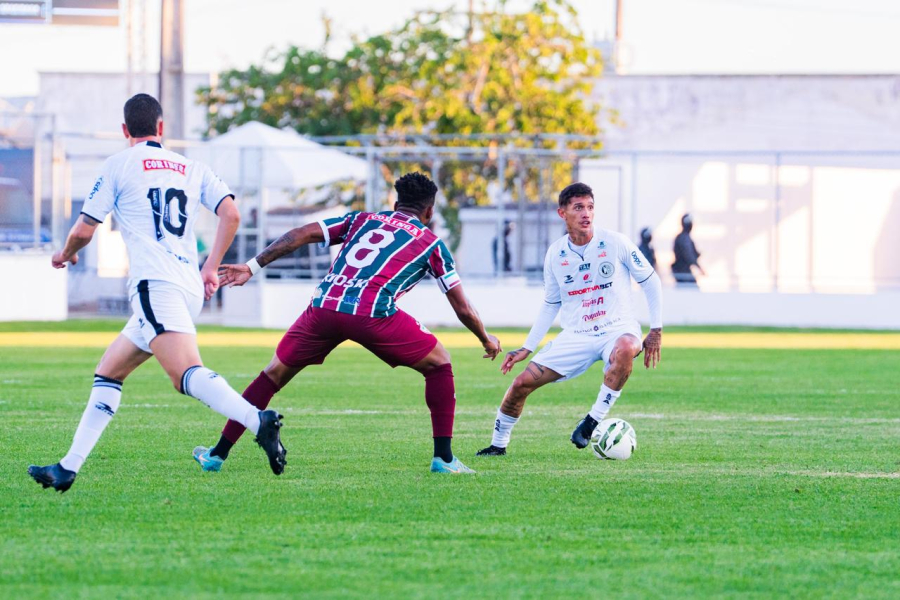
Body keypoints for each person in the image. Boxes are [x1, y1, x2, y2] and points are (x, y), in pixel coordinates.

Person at [27, 94, 286, 493]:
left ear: (125, 130)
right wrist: (210, 265)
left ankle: (257, 421)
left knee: (184, 374)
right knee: (109, 371)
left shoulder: (119, 164)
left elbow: (83, 230)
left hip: (154, 284)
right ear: (162, 129)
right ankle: (67, 467)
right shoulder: (192, 166)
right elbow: (230, 214)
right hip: (186, 286)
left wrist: (65, 254)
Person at [193, 172, 501, 475]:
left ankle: (216, 455)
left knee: (271, 375)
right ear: (430, 212)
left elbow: (300, 234)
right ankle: (444, 459)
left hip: (324, 307)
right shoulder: (431, 244)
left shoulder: (360, 219)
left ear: (395, 204)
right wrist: (485, 338)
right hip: (371, 313)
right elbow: (462, 306)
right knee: (440, 364)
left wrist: (252, 266)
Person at [476, 182, 663, 456]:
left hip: (617, 328)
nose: (586, 213)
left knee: (625, 348)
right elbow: (551, 303)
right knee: (519, 385)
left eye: (590, 207)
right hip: (577, 335)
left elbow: (651, 281)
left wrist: (655, 330)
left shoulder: (616, 242)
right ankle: (498, 445)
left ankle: (591, 422)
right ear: (562, 213)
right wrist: (528, 347)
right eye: (578, 208)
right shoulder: (555, 254)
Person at [672, 213, 705, 286]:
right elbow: (688, 256)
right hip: (682, 271)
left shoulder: (683, 237)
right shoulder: (684, 238)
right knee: (692, 290)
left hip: (683, 270)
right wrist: (700, 268)